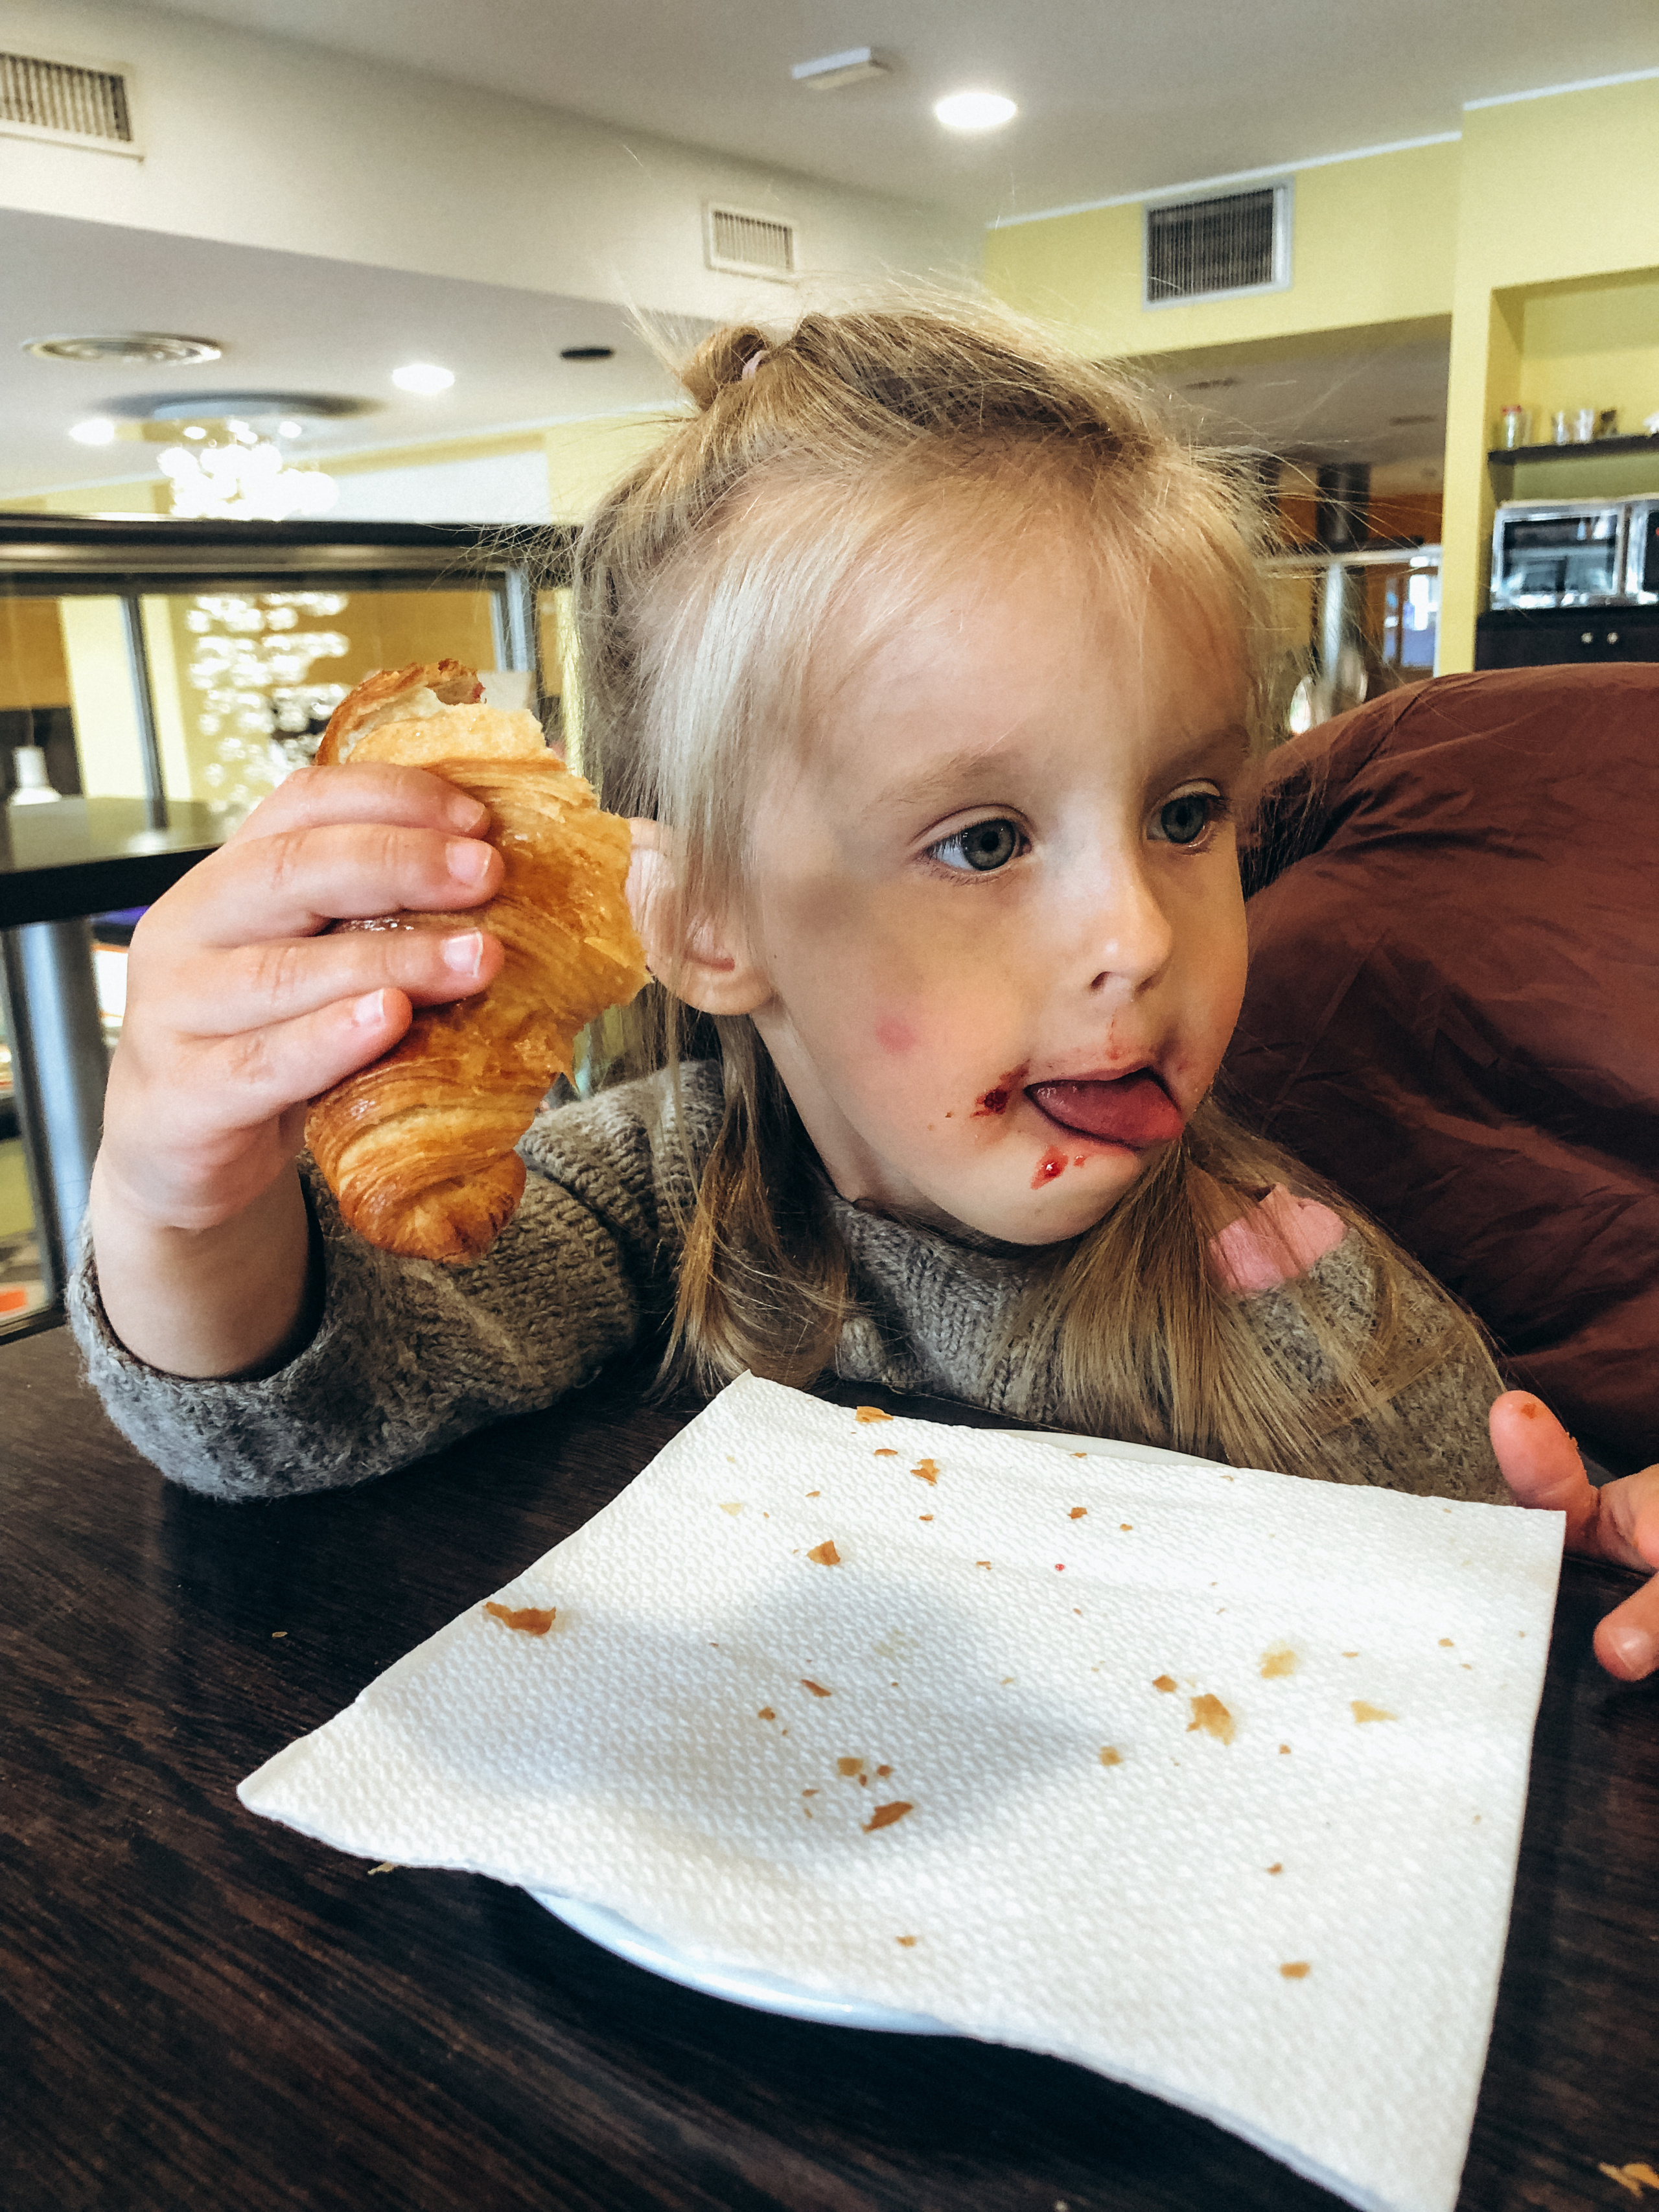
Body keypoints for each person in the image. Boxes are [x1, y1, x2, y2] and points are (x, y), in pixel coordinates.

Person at [74, 304, 1656, 1680]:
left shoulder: (1281, 1283)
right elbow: (314, 1414)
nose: (1138, 933)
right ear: (705, 923)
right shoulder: (665, 1187)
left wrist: (1588, 1541)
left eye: (1184, 815)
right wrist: (183, 1201)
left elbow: (1517, 1577)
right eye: (982, 839)